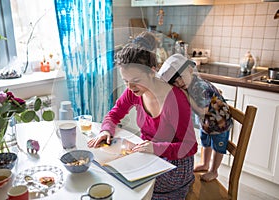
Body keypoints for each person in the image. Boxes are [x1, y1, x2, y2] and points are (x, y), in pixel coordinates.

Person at [88, 43, 197, 199]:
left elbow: (190, 146)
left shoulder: (175, 101)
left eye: (135, 80)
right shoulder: (134, 91)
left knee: (122, 183)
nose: (130, 87)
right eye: (125, 81)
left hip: (175, 163)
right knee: (104, 168)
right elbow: (114, 114)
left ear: (152, 71)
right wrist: (106, 130)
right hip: (148, 154)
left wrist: (156, 148)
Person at [158, 53, 233, 182]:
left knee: (218, 147)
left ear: (190, 70)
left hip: (220, 123)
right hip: (206, 123)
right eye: (175, 82)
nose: (179, 83)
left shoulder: (200, 87)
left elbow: (202, 111)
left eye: (180, 78)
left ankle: (213, 171)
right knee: (205, 142)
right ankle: (205, 163)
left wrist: (186, 97)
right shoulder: (189, 85)